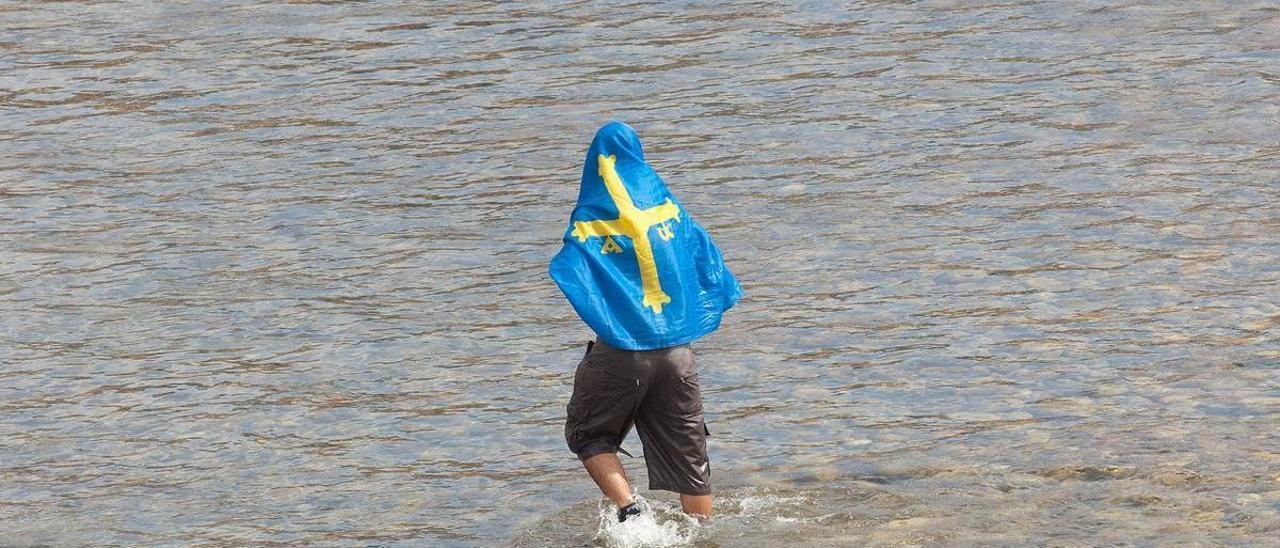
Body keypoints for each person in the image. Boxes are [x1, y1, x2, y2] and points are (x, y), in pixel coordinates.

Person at [549, 121, 742, 522]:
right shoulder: (668, 208)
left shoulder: (593, 213)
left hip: (621, 352)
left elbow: (570, 267)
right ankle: (702, 535)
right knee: (692, 463)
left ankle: (629, 510)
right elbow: (707, 260)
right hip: (677, 354)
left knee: (589, 434)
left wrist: (611, 308)